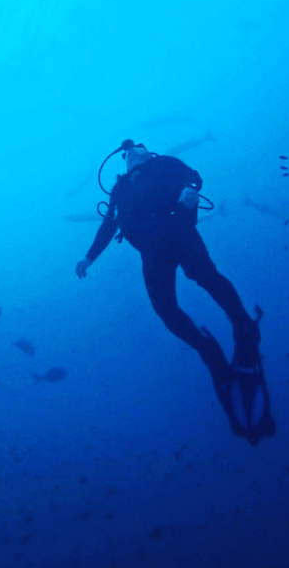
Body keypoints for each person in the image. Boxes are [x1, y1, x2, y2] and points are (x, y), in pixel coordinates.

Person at [76, 140, 275, 444]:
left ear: (147, 151)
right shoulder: (118, 190)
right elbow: (108, 226)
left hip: (179, 230)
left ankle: (243, 325)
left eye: (140, 144)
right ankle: (206, 348)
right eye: (130, 148)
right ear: (124, 159)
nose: (135, 147)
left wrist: (190, 190)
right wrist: (89, 258)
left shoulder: (165, 163)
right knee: (164, 309)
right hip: (152, 252)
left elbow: (195, 176)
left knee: (206, 276)